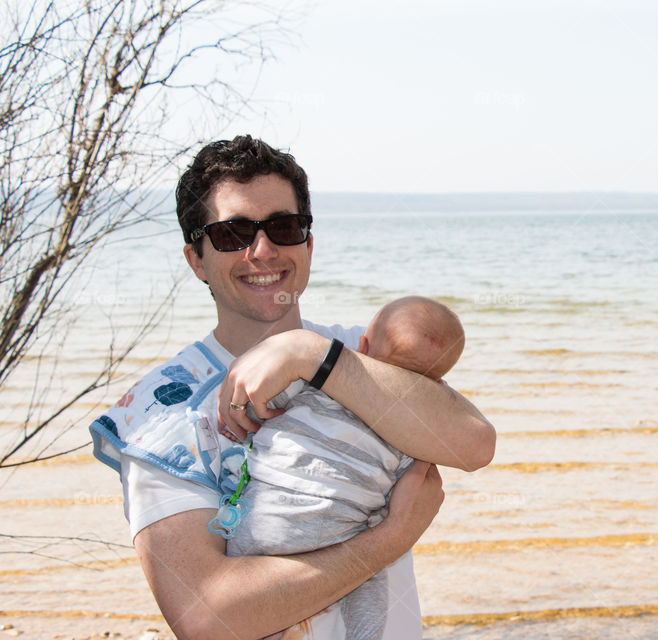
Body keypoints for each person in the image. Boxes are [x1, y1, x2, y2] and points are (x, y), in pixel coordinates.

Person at [89, 135, 495, 640]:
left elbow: (474, 444)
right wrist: (389, 540)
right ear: (196, 259)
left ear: (308, 242)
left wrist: (312, 356)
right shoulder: (161, 412)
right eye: (232, 233)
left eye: (283, 227)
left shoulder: (363, 353)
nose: (262, 250)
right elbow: (207, 617)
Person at [225, 295, 465, 640]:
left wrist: (248, 412)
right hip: (338, 534)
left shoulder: (319, 386)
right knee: (371, 582)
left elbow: (265, 401)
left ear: (362, 347)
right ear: (437, 385)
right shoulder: (408, 434)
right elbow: (407, 490)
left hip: (266, 521)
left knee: (242, 577)